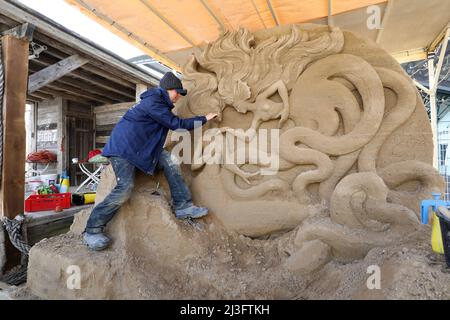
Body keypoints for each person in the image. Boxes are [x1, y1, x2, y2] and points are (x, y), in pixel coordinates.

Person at [83, 72, 218, 251]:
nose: (178, 97)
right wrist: (204, 118)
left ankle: (183, 206)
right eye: (177, 92)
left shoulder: (158, 103)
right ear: (169, 90)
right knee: (125, 188)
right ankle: (92, 230)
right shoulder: (154, 102)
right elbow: (177, 124)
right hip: (124, 150)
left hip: (142, 149)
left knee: (170, 160)